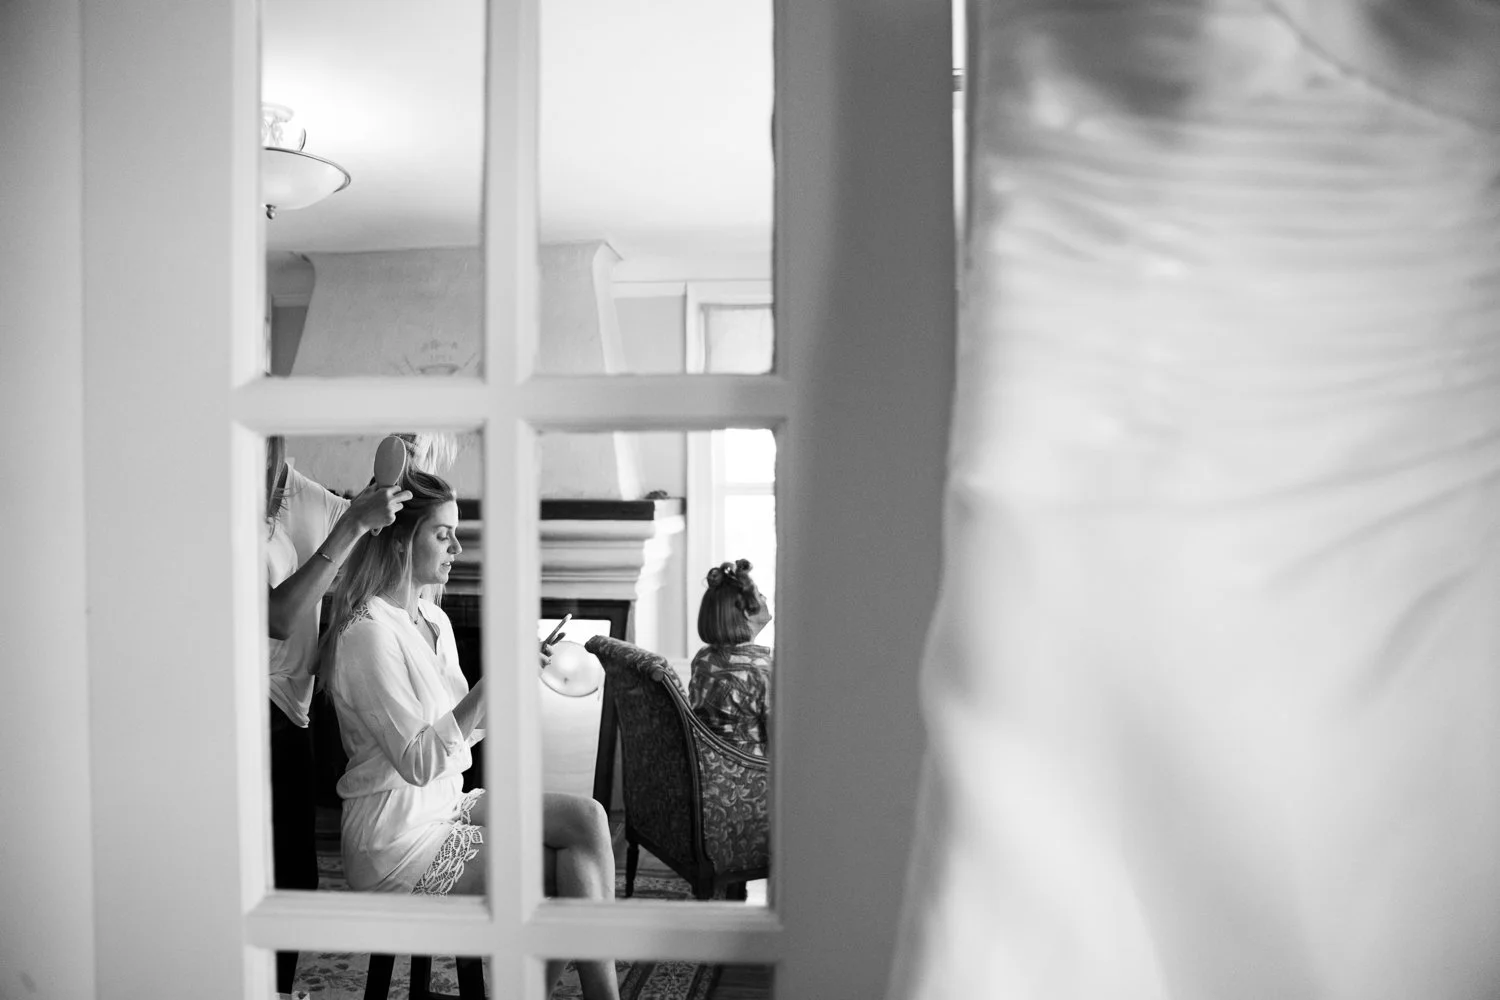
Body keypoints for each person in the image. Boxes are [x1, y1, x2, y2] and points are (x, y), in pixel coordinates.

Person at [322, 466, 621, 1000]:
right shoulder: (366, 633)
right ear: (398, 540)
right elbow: (417, 760)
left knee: (587, 817)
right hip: (394, 833)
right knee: (557, 874)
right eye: (443, 534)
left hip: (445, 802)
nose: (458, 546)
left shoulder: (435, 622)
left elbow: (467, 729)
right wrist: (490, 682)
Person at [264, 434, 412, 994]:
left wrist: (392, 493)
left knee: (295, 877)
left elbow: (372, 554)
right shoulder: (223, 503)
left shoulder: (307, 496)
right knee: (255, 870)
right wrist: (350, 525)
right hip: (241, 702)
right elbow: (278, 615)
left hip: (290, 707)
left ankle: (272, 987)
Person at [689, 559, 773, 756]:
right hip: (751, 777)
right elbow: (781, 744)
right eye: (760, 595)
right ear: (746, 613)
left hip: (706, 769)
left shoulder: (703, 659)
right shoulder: (762, 670)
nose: (766, 598)